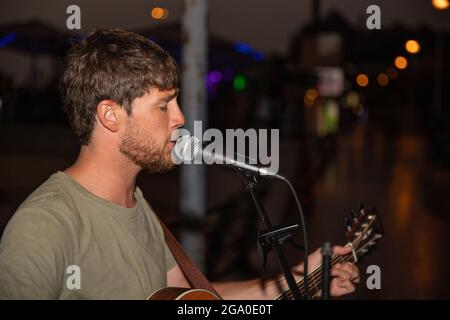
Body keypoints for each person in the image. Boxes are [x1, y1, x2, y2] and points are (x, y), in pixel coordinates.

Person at [0, 28, 359, 299]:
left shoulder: (138, 205)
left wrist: (295, 279)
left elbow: (194, 301)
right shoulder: (43, 225)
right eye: (164, 105)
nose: (181, 117)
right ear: (110, 115)